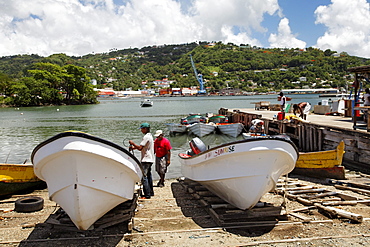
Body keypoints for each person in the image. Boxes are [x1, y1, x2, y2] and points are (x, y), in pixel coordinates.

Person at [129, 123, 155, 199]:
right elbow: (144, 147)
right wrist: (133, 148)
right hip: (150, 159)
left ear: (145, 129)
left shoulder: (146, 137)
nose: (141, 130)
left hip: (146, 159)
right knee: (149, 176)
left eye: (142, 129)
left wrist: (133, 143)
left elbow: (140, 148)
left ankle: (147, 195)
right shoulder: (150, 136)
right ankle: (151, 192)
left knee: (144, 177)